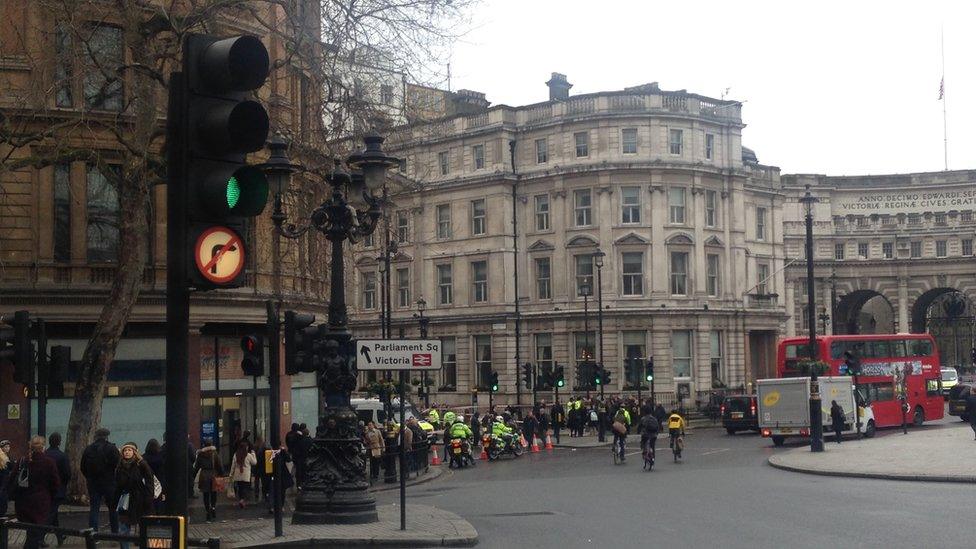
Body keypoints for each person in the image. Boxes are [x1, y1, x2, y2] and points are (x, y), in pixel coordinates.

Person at [10, 436, 60, 549]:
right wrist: (51, 496)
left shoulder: (23, 461)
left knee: (31, 531)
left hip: (23, 502)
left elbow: (11, 479)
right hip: (41, 502)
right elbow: (56, 483)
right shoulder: (49, 462)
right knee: (35, 532)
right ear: (43, 447)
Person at [115, 442, 155, 549]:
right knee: (123, 528)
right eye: (125, 450)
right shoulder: (119, 466)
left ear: (134, 452)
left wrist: (148, 496)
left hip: (140, 499)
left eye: (129, 450)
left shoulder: (141, 464)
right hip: (126, 500)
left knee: (143, 527)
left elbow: (149, 480)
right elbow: (118, 485)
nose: (127, 452)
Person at [81, 427, 120, 533]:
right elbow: (118, 465)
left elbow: (83, 467)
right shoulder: (112, 448)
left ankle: (93, 534)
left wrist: (90, 477)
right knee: (113, 508)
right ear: (107, 437)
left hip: (93, 483)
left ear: (96, 437)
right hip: (109, 482)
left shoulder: (88, 449)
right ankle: (115, 532)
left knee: (94, 509)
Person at [46, 432, 71, 545]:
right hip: (59, 488)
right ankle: (40, 537)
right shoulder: (62, 456)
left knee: (53, 512)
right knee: (51, 513)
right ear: (59, 442)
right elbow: (67, 473)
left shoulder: (45, 454)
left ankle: (60, 535)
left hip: (47, 488)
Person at [193, 438, 222, 522]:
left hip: (204, 475)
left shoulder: (201, 454)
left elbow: (197, 467)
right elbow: (219, 465)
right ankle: (213, 507)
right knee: (214, 493)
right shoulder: (214, 453)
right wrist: (221, 474)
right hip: (213, 474)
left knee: (206, 494)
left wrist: (193, 476)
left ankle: (207, 510)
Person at [230, 441, 257, 509]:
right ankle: (242, 500)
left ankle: (241, 500)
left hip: (237, 475)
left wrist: (231, 474)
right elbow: (254, 462)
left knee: (240, 488)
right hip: (246, 475)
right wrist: (253, 453)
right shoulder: (248, 455)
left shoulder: (236, 455)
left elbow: (233, 465)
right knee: (246, 488)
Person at [143, 439, 165, 513]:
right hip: (159, 480)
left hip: (148, 481)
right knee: (159, 499)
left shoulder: (144, 457)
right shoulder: (161, 457)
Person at [0, 440, 12, 516]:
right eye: (6, 447)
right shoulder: (3, 458)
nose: (8, 448)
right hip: (3, 482)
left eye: (9, 446)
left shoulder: (7, 457)